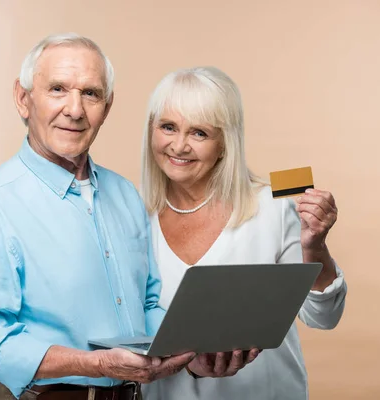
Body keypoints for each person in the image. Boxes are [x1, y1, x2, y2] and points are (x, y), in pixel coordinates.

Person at [0, 34, 259, 400]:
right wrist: (93, 365)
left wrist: (191, 358)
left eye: (91, 94)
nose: (75, 110)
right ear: (23, 99)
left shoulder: (125, 195)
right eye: (58, 89)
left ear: (107, 107)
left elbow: (147, 306)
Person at [139, 66, 348, 400]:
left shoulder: (272, 208)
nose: (179, 146)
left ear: (225, 143)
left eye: (199, 133)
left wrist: (316, 246)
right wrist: (188, 363)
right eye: (168, 127)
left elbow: (324, 317)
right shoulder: (133, 219)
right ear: (152, 130)